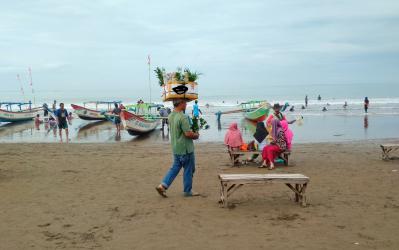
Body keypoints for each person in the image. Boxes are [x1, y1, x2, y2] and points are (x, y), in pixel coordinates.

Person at [156, 99, 200, 198]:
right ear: (180, 103)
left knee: (175, 168)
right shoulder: (182, 117)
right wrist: (196, 135)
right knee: (189, 169)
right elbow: (188, 133)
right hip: (185, 149)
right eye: (185, 102)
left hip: (176, 147)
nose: (186, 104)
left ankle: (162, 186)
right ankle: (187, 191)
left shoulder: (171, 115)